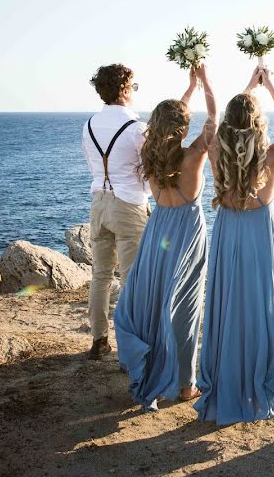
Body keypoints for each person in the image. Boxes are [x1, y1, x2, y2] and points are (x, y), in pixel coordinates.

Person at [194, 66, 274, 425]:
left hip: (227, 230)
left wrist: (247, 91)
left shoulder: (216, 152)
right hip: (258, 233)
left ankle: (225, 382)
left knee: (227, 303)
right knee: (259, 305)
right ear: (257, 123)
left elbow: (223, 125)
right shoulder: (272, 156)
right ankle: (257, 386)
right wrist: (268, 86)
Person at [114, 66, 217, 410]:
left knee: (158, 300)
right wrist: (204, 82)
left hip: (158, 231)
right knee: (185, 308)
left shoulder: (149, 154)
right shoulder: (194, 155)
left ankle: (156, 373)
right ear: (184, 128)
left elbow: (170, 120)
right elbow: (213, 117)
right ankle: (186, 385)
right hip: (187, 232)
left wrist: (187, 89)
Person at [82, 64, 151, 360]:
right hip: (129, 205)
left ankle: (99, 341)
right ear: (123, 89)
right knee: (132, 278)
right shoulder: (137, 127)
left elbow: (92, 164)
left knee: (100, 275)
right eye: (133, 87)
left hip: (99, 202)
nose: (134, 92)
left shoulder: (88, 125)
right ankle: (130, 348)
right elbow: (148, 176)